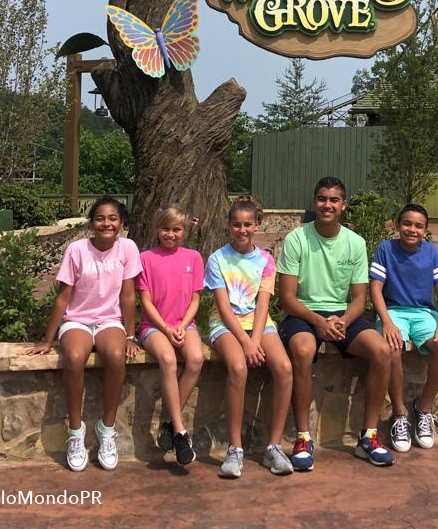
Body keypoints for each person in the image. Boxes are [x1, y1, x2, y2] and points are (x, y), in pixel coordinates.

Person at [278, 176, 393, 470]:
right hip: (303, 314)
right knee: (303, 350)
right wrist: (318, 322)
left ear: (343, 205)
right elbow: (287, 298)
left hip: (343, 316)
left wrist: (342, 320)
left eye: (333, 200)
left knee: (382, 351)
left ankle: (368, 436)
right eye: (322, 199)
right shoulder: (296, 239)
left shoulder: (355, 243)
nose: (327, 205)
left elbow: (359, 298)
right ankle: (303, 438)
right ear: (314, 202)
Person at [27, 196, 142, 472]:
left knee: (116, 356)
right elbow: (63, 298)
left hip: (109, 320)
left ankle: (107, 429)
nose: (106, 224)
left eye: (113, 218)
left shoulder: (127, 248)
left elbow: (128, 296)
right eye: (100, 218)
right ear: (91, 223)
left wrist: (130, 335)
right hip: (77, 320)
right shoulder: (77, 250)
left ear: (121, 223)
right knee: (75, 357)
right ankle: (76, 433)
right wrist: (48, 339)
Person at [205, 196, 294, 478]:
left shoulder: (266, 260)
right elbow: (223, 307)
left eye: (247, 224)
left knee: (284, 367)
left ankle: (274, 447)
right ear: (228, 226)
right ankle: (235, 449)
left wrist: (254, 339)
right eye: (236, 224)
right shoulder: (217, 259)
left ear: (257, 225)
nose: (241, 230)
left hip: (257, 323)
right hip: (225, 323)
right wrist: (245, 343)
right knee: (238, 367)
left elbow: (263, 304)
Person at [369, 204, 438, 452]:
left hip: (423, 314)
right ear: (398, 226)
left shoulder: (430, 251)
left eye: (419, 226)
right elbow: (375, 288)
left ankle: (423, 407)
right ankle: (400, 413)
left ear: (425, 231)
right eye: (407, 224)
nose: (412, 229)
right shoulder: (386, 249)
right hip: (393, 312)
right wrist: (386, 322)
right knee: (392, 348)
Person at [136, 205, 204, 466]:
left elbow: (196, 299)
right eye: (165, 229)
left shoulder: (194, 257)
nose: (170, 234)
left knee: (195, 359)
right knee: (168, 359)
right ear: (157, 229)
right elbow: (146, 301)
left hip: (184, 324)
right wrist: (165, 328)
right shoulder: (146, 258)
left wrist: (183, 326)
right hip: (154, 326)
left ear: (184, 231)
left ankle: (167, 422)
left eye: (176, 229)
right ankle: (181, 431)